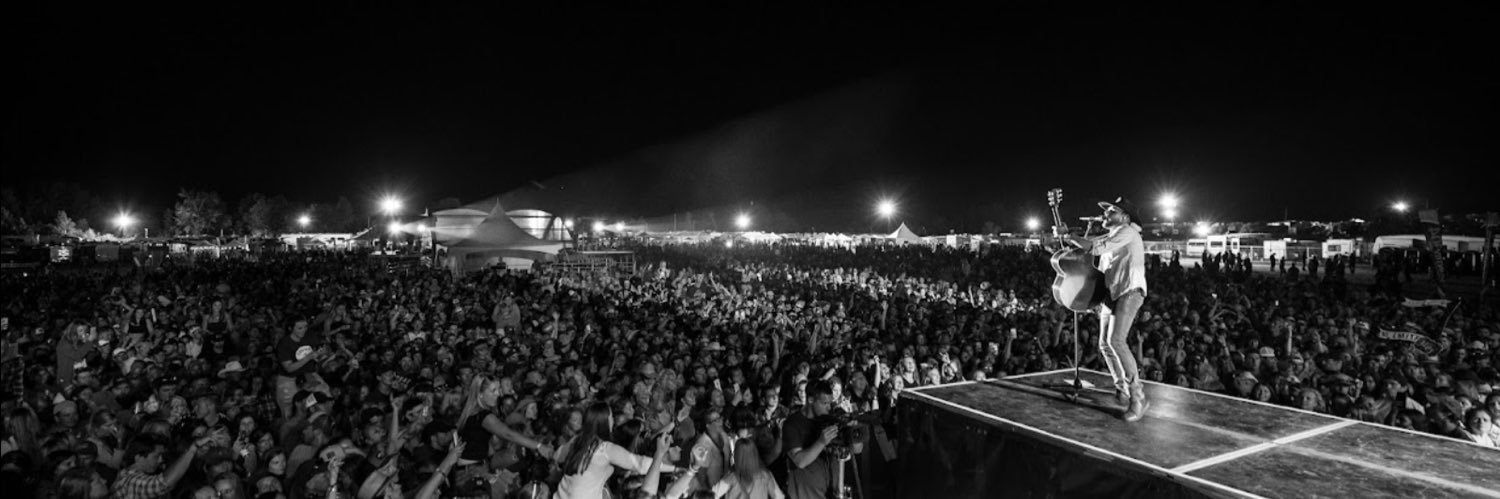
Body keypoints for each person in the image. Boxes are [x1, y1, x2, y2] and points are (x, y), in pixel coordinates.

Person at [1064, 196, 1150, 422]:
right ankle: (1122, 389)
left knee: (1117, 341)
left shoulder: (1128, 232)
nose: (1105, 214)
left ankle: (1138, 397)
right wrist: (1067, 238)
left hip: (1129, 292)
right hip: (1113, 293)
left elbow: (1094, 247)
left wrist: (1071, 237)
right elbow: (1090, 250)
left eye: (1111, 211)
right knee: (1104, 343)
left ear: (1125, 217)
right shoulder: (1113, 235)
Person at [555, 402, 680, 499]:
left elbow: (556, 456)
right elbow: (640, 464)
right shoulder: (604, 449)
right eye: (611, 417)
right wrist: (674, 469)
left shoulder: (577, 440)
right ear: (603, 422)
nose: (613, 420)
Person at [780, 381, 841, 499]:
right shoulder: (792, 424)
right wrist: (821, 442)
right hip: (805, 494)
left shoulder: (830, 420)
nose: (829, 408)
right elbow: (799, 461)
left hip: (831, 492)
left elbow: (856, 449)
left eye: (830, 403)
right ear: (811, 400)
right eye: (824, 403)